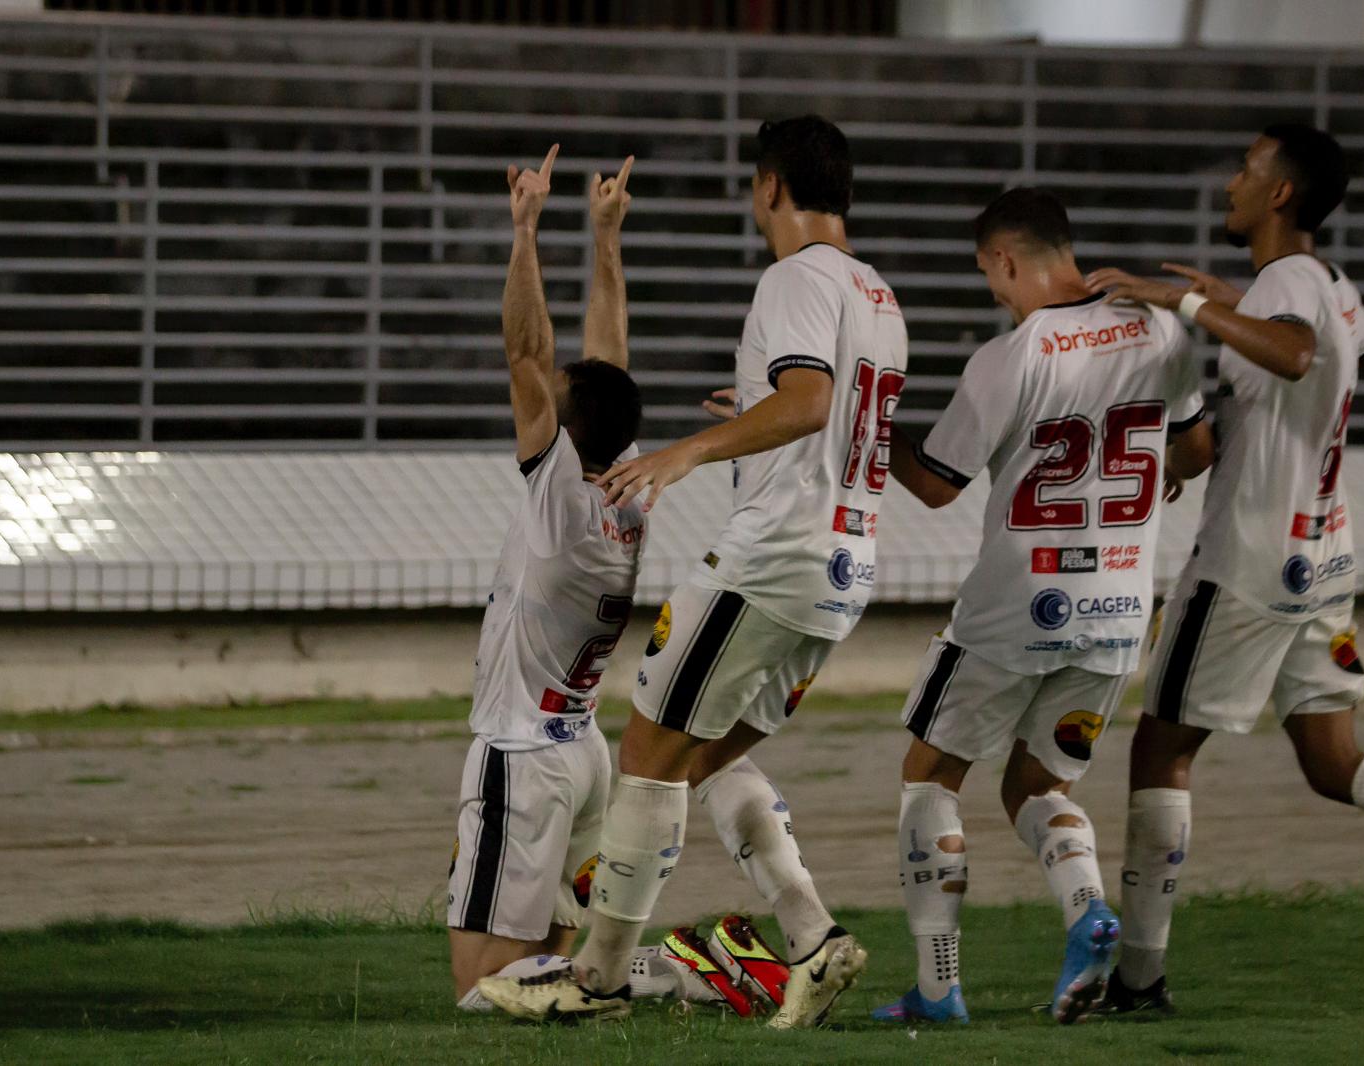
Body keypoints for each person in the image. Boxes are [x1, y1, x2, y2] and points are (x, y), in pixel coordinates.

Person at [478, 115, 907, 1028]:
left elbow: (808, 401)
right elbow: (825, 413)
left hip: (772, 559)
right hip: (845, 566)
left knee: (646, 752)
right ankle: (811, 935)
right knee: (697, 758)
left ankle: (594, 979)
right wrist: (750, 411)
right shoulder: (878, 293)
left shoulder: (793, 276)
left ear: (770, 189)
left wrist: (692, 452)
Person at [1086, 123, 1364, 1015]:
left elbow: (1300, 353)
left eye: (1244, 169)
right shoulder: (1328, 285)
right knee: (1330, 758)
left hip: (1250, 557)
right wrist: (1244, 308)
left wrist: (1192, 305)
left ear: (1279, 195)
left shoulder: (1288, 284)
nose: (1230, 182)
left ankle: (1138, 981)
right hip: (1325, 548)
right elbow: (1361, 347)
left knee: (1161, 747)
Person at [877, 187, 1212, 1027]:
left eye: (991, 275)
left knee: (930, 778)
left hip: (1014, 604)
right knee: (1040, 780)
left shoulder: (1012, 354)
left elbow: (934, 484)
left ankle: (938, 986)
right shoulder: (1160, 329)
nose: (997, 292)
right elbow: (1199, 446)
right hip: (1120, 602)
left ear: (1005, 259)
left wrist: (865, 427)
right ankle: (1089, 913)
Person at [446, 145, 649, 1007]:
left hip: (522, 754)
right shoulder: (629, 487)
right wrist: (605, 241)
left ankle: (672, 974)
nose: (546, 392)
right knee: (558, 963)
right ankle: (622, 978)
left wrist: (526, 230)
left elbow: (528, 353)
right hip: (580, 754)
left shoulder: (562, 496)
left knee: (479, 984)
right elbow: (607, 368)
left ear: (566, 431)